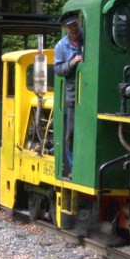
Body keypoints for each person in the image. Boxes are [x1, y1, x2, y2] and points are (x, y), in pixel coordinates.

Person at [53, 12, 83, 178]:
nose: (74, 29)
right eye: (70, 27)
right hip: (73, 94)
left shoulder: (89, 38)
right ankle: (73, 167)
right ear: (65, 29)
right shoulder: (61, 46)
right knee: (70, 134)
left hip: (89, 90)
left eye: (75, 25)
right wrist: (72, 62)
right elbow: (58, 70)